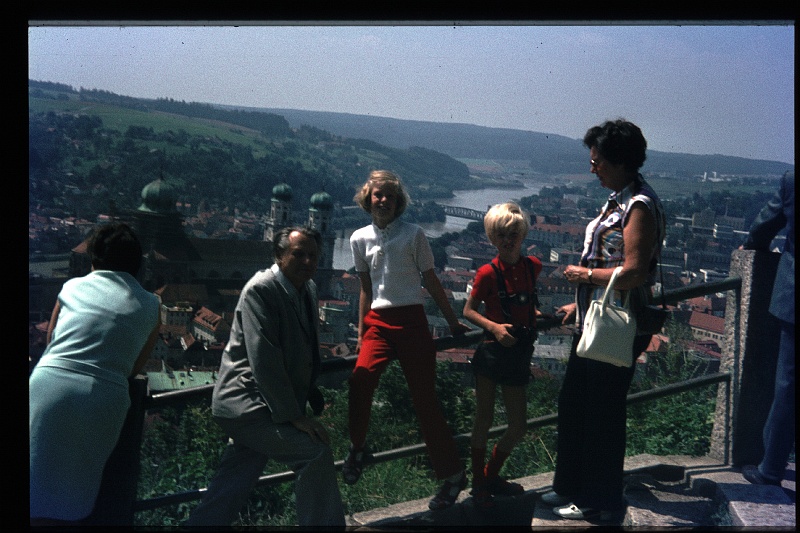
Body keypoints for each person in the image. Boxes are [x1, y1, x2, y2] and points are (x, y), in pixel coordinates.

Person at [542, 119, 666, 522]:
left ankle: (598, 499)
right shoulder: (619, 199)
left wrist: (582, 278)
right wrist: (579, 305)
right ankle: (569, 486)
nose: (592, 167)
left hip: (619, 326)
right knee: (575, 404)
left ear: (619, 161)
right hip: (597, 319)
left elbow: (633, 272)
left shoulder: (639, 206)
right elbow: (610, 264)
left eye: (597, 161)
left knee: (600, 414)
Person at [184, 227, 345, 528]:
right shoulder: (261, 289)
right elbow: (265, 359)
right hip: (246, 404)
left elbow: (306, 347)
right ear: (279, 255)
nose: (308, 262)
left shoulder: (307, 289)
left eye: (313, 255)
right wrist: (296, 416)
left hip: (265, 405)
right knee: (314, 452)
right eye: (299, 254)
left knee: (234, 479)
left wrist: (309, 391)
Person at [343, 169, 471, 511]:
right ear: (367, 199)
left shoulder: (414, 235)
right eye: (376, 194)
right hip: (378, 325)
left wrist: (451, 321)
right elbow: (366, 290)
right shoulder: (358, 239)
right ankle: (357, 448)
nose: (382, 200)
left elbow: (430, 280)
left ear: (398, 202)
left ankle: (453, 475)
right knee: (360, 378)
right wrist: (360, 332)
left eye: (388, 195)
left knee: (425, 402)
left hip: (412, 323)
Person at [30, 222, 161, 525]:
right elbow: (135, 366)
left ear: (94, 259)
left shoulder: (71, 287)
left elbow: (51, 340)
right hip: (104, 396)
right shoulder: (152, 305)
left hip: (48, 383)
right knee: (76, 491)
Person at [462, 202, 543, 508]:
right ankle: (479, 483)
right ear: (492, 238)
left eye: (513, 233)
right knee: (483, 419)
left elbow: (525, 302)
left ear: (522, 234)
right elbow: (468, 311)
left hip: (519, 353)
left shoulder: (532, 266)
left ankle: (488, 475)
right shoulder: (486, 273)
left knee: (518, 425)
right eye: (501, 235)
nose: (508, 240)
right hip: (492, 352)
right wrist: (494, 327)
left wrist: (537, 314)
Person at [739, 170, 794, 487]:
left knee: (788, 385)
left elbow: (764, 225)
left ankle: (771, 468)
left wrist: (752, 244)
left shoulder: (792, 179)